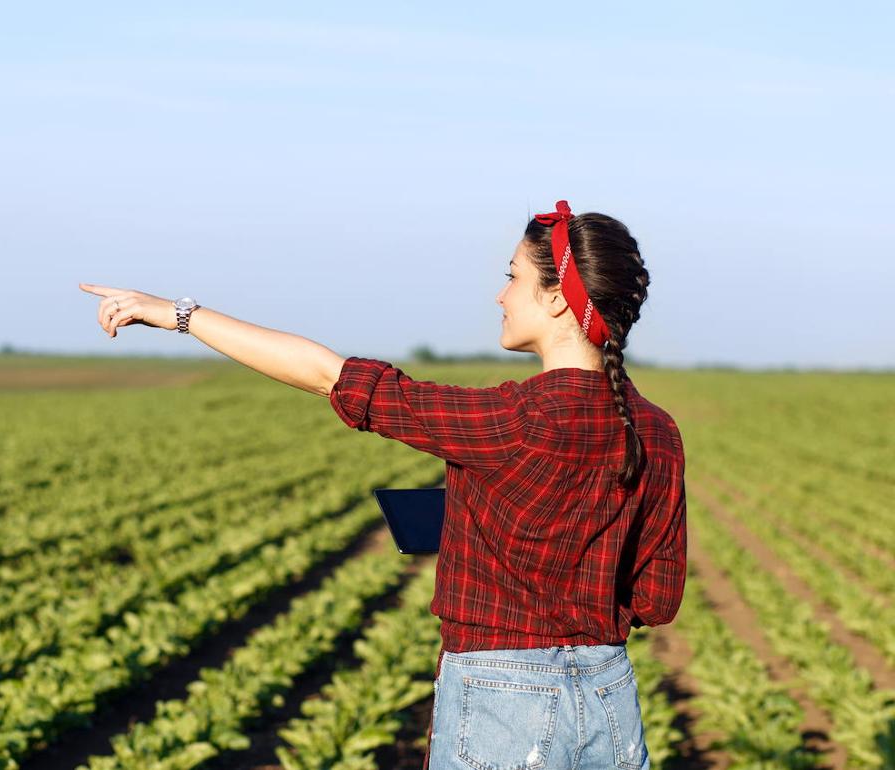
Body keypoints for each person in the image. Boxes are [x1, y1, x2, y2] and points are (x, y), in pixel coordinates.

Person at [78, 199, 686, 770]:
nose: (500, 295)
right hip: (610, 694)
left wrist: (178, 315)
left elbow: (328, 376)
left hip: (506, 698)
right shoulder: (658, 432)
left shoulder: (511, 419)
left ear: (557, 300)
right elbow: (656, 601)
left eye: (513, 277)